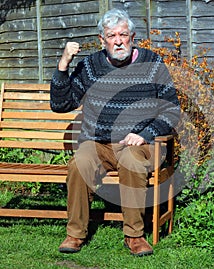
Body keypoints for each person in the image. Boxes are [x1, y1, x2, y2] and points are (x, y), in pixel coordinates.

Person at [50, 8, 180, 256]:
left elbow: (172, 110)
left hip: (139, 144)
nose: (118, 41)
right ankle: (75, 234)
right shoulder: (90, 66)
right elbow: (60, 105)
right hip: (98, 143)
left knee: (131, 160)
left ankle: (135, 236)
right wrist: (64, 64)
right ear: (102, 40)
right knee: (79, 164)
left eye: (123, 34)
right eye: (112, 36)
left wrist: (146, 133)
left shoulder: (152, 64)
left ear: (133, 37)